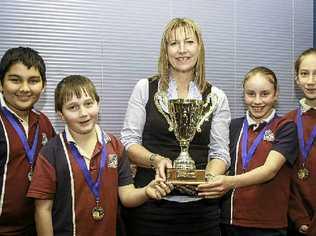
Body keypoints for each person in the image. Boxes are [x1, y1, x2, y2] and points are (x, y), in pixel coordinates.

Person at [120, 18, 231, 236]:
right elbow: (128, 142)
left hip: (201, 213)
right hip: (151, 208)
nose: (182, 50)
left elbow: (220, 152)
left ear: (199, 47)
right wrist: (157, 160)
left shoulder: (216, 97)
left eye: (189, 42)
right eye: (174, 43)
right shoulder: (145, 88)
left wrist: (205, 180)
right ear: (165, 50)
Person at [27, 75, 172, 236]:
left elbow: (126, 196)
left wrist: (146, 191)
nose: (83, 113)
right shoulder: (50, 152)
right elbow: (42, 209)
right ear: (61, 114)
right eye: (73, 107)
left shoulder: (115, 146)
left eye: (88, 104)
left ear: (98, 104)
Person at [199, 66, 298, 236]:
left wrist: (228, 182)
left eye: (265, 94)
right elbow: (217, 159)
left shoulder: (285, 127)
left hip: (269, 224)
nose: (257, 101)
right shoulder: (232, 127)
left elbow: (270, 170)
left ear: (276, 95)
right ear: (244, 95)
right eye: (251, 94)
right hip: (229, 221)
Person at [0, 47, 55, 235]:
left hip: (35, 225)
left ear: (44, 85)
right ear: (1, 83)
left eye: (33, 81)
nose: (24, 88)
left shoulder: (44, 122)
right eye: (15, 80)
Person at [286, 48, 316, 236]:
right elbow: (283, 178)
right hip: (297, 223)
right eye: (304, 74)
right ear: (297, 79)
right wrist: (298, 218)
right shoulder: (287, 122)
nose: (311, 81)